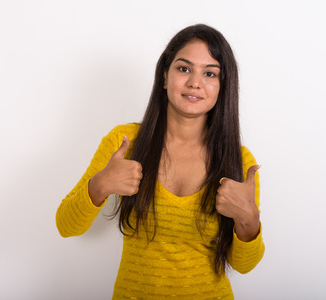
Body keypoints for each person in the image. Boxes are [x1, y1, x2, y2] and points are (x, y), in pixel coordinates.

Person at [56, 24, 264, 299]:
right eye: (184, 68)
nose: (195, 83)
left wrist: (248, 219)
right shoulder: (125, 141)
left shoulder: (239, 160)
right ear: (165, 77)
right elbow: (65, 226)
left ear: (222, 87)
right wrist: (100, 185)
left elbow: (244, 265)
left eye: (210, 73)